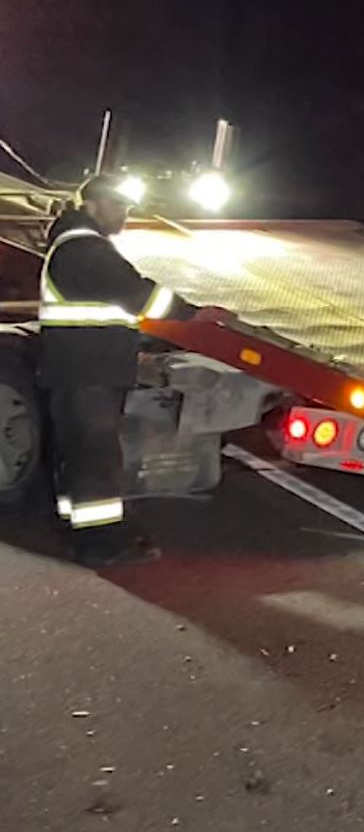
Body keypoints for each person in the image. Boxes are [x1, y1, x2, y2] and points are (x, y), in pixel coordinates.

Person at [37, 173, 216, 565]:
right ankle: (101, 544)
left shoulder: (77, 246)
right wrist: (196, 312)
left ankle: (78, 528)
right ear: (92, 205)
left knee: (81, 456)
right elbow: (139, 295)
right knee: (96, 457)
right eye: (118, 206)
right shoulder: (83, 248)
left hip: (82, 370)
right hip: (89, 372)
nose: (123, 215)